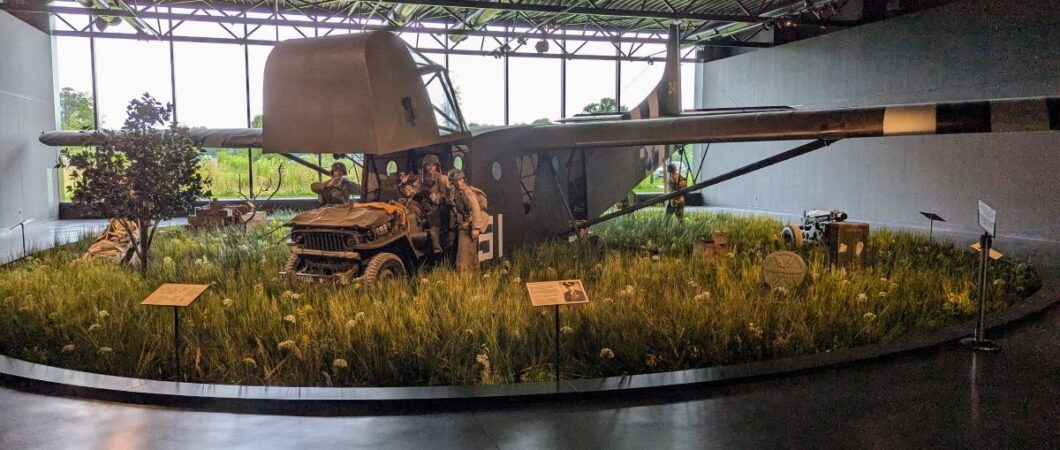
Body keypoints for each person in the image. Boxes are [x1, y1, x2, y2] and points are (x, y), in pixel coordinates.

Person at [400, 154, 451, 254]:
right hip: (426, 206)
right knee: (406, 204)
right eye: (428, 165)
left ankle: (436, 245)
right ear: (424, 167)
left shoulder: (443, 179)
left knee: (433, 213)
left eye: (433, 165)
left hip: (441, 207)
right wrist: (404, 184)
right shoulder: (422, 180)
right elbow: (410, 192)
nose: (431, 168)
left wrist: (439, 198)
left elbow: (451, 193)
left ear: (437, 166)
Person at [448, 169, 489, 273]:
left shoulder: (467, 192)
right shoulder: (458, 193)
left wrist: (476, 228)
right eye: (455, 181)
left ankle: (464, 281)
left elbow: (475, 209)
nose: (458, 183)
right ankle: (472, 279)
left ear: (463, 179)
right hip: (464, 226)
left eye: (460, 180)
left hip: (469, 227)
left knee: (463, 257)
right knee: (470, 255)